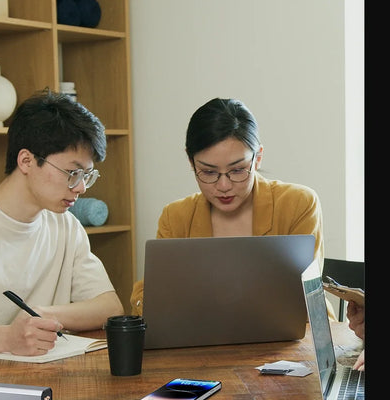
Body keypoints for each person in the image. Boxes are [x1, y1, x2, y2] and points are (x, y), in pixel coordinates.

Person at [0, 89, 123, 356]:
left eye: (86, 175)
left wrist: (40, 315)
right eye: (72, 173)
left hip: (47, 380)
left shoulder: (66, 227)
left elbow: (109, 307)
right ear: (26, 160)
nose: (81, 187)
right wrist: (5, 338)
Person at [131, 97, 330, 316]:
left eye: (237, 170)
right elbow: (152, 293)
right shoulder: (176, 217)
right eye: (208, 172)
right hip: (204, 338)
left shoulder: (298, 204)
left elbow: (305, 293)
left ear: (258, 158)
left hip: (294, 339)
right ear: (191, 162)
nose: (223, 186)